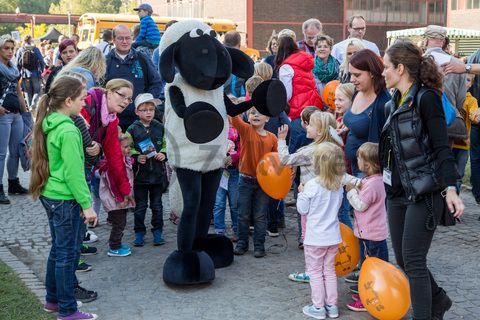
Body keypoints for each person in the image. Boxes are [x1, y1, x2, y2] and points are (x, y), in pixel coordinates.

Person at [380, 39, 465, 320]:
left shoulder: (427, 98)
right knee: (405, 259)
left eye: (386, 67)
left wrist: (451, 188)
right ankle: (438, 300)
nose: (383, 73)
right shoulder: (392, 101)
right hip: (398, 191)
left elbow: (442, 147)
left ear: (401, 68)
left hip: (426, 190)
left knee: (414, 261)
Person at [29, 74, 98, 320]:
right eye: (81, 98)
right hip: (65, 198)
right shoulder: (68, 130)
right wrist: (87, 205)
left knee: (59, 251)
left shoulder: (51, 121)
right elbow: (74, 172)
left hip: (52, 194)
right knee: (67, 255)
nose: (85, 102)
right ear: (68, 101)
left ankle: (53, 300)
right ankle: (68, 310)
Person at [296, 142, 345, 320]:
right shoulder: (338, 185)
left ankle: (318, 307)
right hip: (333, 236)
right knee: (329, 271)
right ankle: (332, 306)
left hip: (315, 237)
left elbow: (303, 209)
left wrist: (301, 192)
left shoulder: (312, 185)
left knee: (315, 272)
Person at [345, 142, 389, 312]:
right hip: (374, 233)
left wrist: (350, 191)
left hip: (370, 235)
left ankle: (369, 298)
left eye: (359, 158)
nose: (357, 160)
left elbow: (360, 205)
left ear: (370, 164)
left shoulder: (372, 184)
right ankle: (369, 293)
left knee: (371, 270)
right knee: (372, 267)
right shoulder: (375, 179)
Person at [231, 107, 278, 258]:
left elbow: (278, 161)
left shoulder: (272, 138)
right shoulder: (245, 129)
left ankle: (259, 245)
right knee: (243, 214)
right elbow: (234, 117)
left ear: (268, 119)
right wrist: (244, 105)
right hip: (245, 179)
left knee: (260, 215)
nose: (256, 115)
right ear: (248, 117)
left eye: (260, 112)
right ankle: (242, 243)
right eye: (252, 113)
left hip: (264, 183)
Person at [127, 93, 168, 247]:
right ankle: (139, 232)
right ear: (137, 112)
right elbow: (126, 148)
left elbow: (167, 144)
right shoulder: (132, 129)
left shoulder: (160, 127)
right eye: (144, 110)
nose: (149, 112)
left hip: (158, 175)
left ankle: (157, 231)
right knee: (140, 206)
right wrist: (137, 156)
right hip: (140, 177)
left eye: (151, 109)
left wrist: (163, 154)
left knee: (157, 206)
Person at [104, 24, 161, 131]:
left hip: (140, 122)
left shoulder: (142, 58)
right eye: (120, 38)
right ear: (113, 40)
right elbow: (100, 89)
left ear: (132, 38)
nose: (124, 42)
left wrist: (145, 103)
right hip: (113, 122)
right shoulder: (105, 61)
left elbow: (156, 82)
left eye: (128, 38)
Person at [343, 49, 390, 177]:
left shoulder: (383, 102)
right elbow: (360, 121)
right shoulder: (357, 92)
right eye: (350, 74)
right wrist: (348, 127)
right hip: (353, 166)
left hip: (368, 173)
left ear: (372, 73)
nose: (352, 79)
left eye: (357, 75)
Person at [275, 35, 324, 157]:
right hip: (313, 107)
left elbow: (287, 94)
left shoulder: (286, 67)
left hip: (298, 112)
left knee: (297, 151)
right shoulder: (305, 61)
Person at [0, 35, 29, 204]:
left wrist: (25, 114)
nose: (10, 52)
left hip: (16, 114)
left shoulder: (14, 69)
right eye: (6, 48)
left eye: (12, 48)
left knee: (16, 151)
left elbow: (19, 92)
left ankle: (13, 183)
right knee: (1, 153)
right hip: (3, 115)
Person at [98, 132, 135, 257]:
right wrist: (120, 199)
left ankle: (117, 244)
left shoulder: (122, 159)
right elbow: (112, 184)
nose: (128, 149)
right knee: (119, 223)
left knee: (121, 222)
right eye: (125, 147)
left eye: (129, 146)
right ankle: (114, 246)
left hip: (120, 198)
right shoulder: (112, 164)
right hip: (115, 200)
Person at [212, 96, 241, 241]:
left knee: (235, 203)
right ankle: (219, 231)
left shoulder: (241, 129)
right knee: (218, 203)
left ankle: (237, 229)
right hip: (219, 171)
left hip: (234, 171)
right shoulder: (216, 127)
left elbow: (244, 149)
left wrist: (234, 157)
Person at [453, 74, 480, 192]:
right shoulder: (450, 95)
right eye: (463, 79)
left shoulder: (472, 100)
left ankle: (454, 206)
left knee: (459, 175)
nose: (465, 82)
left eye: (468, 80)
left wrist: (476, 116)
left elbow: (474, 115)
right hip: (448, 143)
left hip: (463, 144)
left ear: (471, 84)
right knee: (445, 173)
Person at [16, 35, 45, 109]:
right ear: (30, 40)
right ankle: (33, 105)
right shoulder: (35, 49)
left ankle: (29, 108)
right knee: (37, 91)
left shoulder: (20, 50)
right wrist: (41, 71)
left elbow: (17, 64)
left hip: (25, 74)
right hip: (35, 73)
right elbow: (42, 61)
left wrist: (18, 75)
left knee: (27, 92)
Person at [223, 31, 248, 98]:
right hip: (238, 101)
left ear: (224, 42)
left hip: (220, 100)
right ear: (239, 44)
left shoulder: (217, 58)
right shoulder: (244, 61)